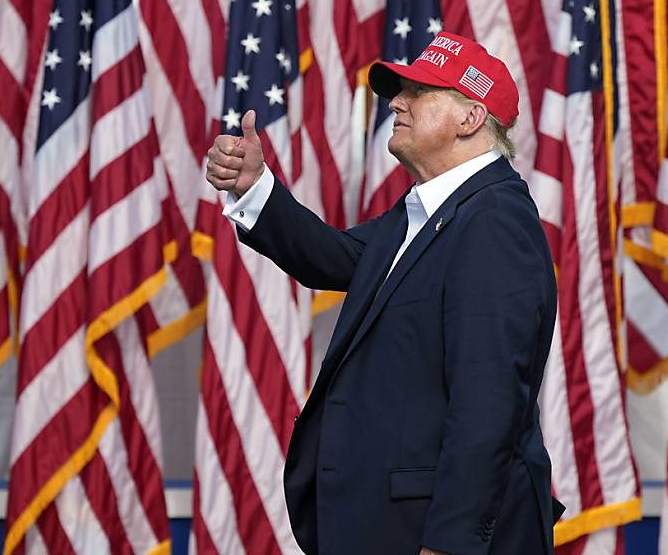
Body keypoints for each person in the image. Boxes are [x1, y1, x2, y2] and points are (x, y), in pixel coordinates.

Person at [206, 31, 561, 555]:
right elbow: (332, 258)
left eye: (420, 92)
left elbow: (489, 402)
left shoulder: (494, 221)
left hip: (431, 537)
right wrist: (255, 186)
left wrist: (450, 545)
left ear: (470, 118)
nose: (396, 101)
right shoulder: (428, 213)